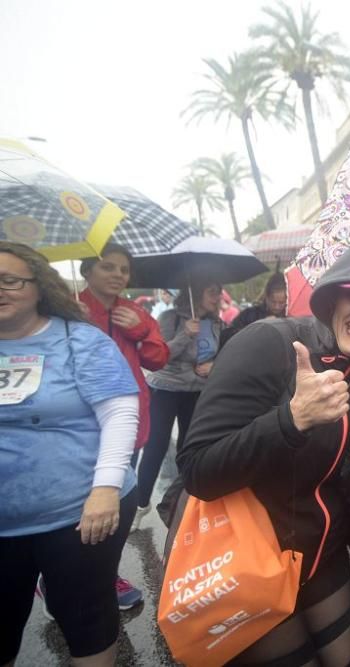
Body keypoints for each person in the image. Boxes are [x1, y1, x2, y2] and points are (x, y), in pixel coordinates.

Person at [175, 244, 350, 665]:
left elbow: (346, 454)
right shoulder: (270, 342)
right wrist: (291, 419)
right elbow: (198, 469)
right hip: (250, 556)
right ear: (334, 299)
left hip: (320, 553)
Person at [0, 242, 139, 667]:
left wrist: (104, 489)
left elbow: (119, 411)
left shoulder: (78, 339)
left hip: (78, 512)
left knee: (83, 613)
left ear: (39, 287)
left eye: (10, 280)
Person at [78, 242, 170, 610]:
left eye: (124, 270)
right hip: (79, 427)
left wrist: (141, 332)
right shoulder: (65, 310)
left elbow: (158, 358)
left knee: (115, 504)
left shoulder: (134, 312)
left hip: (126, 425)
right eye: (108, 267)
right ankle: (55, 577)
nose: (118, 275)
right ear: (87, 271)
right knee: (76, 507)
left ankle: (105, 574)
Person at [132, 280, 222, 529]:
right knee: (155, 447)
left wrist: (214, 365)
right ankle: (141, 504)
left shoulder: (216, 323)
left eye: (219, 291)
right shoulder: (169, 317)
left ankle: (182, 503)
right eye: (212, 290)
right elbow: (159, 355)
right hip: (166, 389)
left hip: (196, 392)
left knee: (189, 447)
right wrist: (185, 335)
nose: (217, 297)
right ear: (196, 292)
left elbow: (220, 354)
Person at [219, 271, 288, 348]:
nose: (276, 306)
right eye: (273, 302)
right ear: (266, 297)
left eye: (281, 303)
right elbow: (226, 336)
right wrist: (259, 326)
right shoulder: (250, 314)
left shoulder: (290, 317)